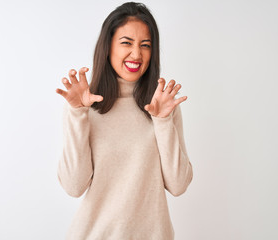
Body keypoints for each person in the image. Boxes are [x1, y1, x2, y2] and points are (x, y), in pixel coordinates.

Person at [55, 2, 193, 239]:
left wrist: (162, 121)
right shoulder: (87, 105)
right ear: (108, 47)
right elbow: (74, 186)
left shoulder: (162, 105)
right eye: (126, 42)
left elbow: (178, 185)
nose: (137, 54)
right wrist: (77, 113)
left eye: (145, 45)